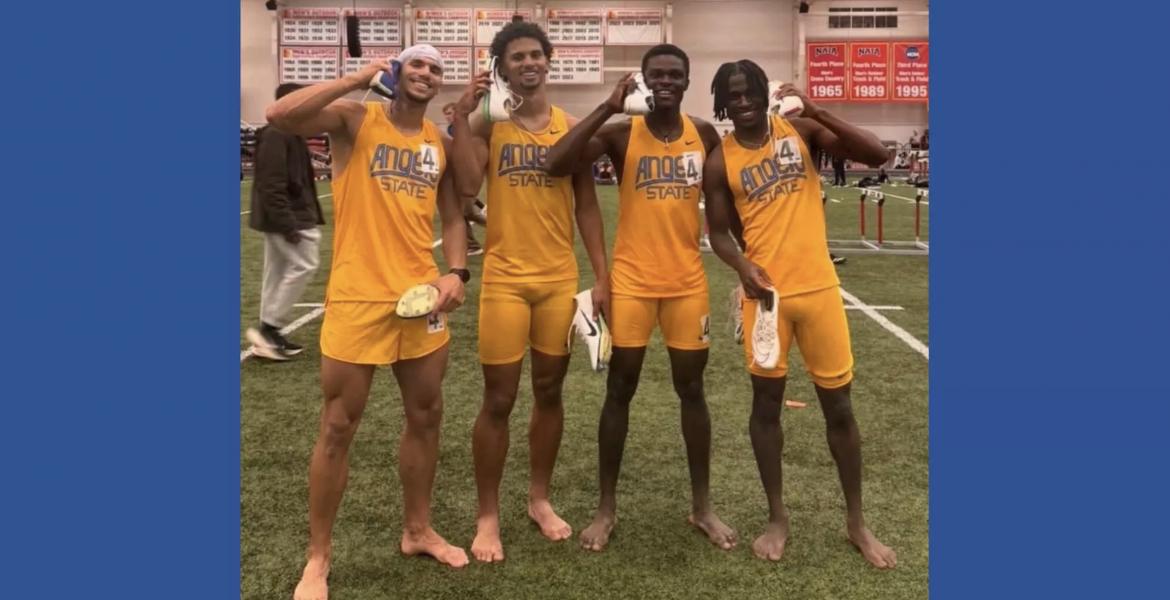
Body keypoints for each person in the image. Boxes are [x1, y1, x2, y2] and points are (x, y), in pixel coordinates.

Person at [266, 44, 473, 599]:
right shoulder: (356, 119)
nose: (427, 72)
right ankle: (318, 559)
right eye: (417, 63)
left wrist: (456, 273)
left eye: (436, 68)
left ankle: (417, 530)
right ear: (398, 71)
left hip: (422, 299)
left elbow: (454, 216)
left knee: (427, 415)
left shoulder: (438, 142)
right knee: (338, 426)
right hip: (357, 297)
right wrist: (358, 76)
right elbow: (279, 115)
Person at [702, 59, 897, 568]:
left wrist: (817, 109)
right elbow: (718, 232)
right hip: (766, 298)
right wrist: (742, 266)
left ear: (765, 93)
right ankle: (777, 518)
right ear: (722, 103)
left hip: (819, 291)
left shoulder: (802, 130)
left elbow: (878, 155)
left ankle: (857, 523)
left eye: (750, 91)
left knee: (840, 408)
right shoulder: (719, 161)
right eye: (732, 95)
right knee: (766, 407)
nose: (743, 101)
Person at [542, 43, 736, 553]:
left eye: (674, 74)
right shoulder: (622, 133)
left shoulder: (704, 134)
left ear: (687, 81)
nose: (666, 81)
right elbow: (555, 163)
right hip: (630, 284)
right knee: (619, 389)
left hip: (687, 285)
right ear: (644, 81)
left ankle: (702, 507)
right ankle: (606, 508)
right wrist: (607, 106)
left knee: (692, 390)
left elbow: (725, 211)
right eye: (657, 75)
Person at [449, 21, 610, 563]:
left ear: (549, 59)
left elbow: (587, 206)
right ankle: (487, 515)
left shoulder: (570, 126)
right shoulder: (490, 123)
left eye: (535, 54)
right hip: (505, 281)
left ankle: (539, 498)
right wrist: (460, 118)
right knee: (498, 399)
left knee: (549, 391)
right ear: (501, 68)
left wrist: (602, 276)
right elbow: (466, 186)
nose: (528, 63)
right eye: (516, 57)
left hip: (557, 280)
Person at [246, 83, 326, 360]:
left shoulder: (289, 133)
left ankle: (269, 331)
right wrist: (288, 224)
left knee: (278, 272)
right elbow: (271, 184)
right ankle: (270, 329)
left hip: (287, 216)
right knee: (305, 265)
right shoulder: (277, 134)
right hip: (289, 217)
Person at [442, 102, 485, 256]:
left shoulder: (465, 129)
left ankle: (476, 243)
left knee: (467, 212)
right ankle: (472, 244)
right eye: (446, 114)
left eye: (450, 113)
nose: (448, 117)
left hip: (466, 174)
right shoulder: (450, 130)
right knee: (463, 212)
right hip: (456, 175)